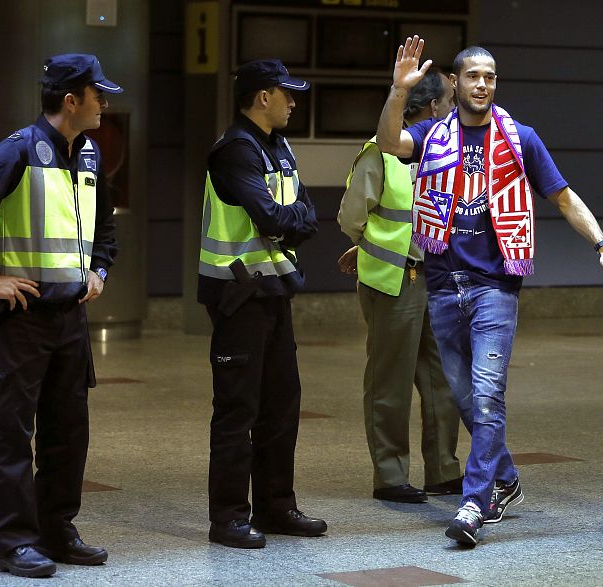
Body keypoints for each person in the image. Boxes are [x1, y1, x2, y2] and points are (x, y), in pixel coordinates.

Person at [375, 36, 603, 546]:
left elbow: (562, 197)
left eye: (490, 77)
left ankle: (475, 501)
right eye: (473, 76)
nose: (483, 85)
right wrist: (399, 91)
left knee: (488, 395)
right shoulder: (432, 133)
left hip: (495, 285)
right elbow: (387, 144)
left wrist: (602, 242)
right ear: (455, 82)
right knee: (464, 397)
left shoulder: (520, 139)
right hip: (443, 284)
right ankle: (506, 477)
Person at [0, 54, 121, 577]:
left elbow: (104, 226)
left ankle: (56, 530)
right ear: (71, 100)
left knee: (68, 433)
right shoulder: (17, 150)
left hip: (71, 317)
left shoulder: (88, 153)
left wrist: (99, 269)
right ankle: (13, 543)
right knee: (10, 433)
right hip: (21, 317)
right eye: (97, 94)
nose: (104, 103)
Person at [198, 58, 325, 549]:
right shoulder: (235, 150)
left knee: (281, 405)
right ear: (263, 97)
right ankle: (228, 518)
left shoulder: (278, 146)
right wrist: (290, 221)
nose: (293, 102)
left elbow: (306, 214)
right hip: (239, 294)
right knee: (238, 409)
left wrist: (289, 221)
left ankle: (276, 507)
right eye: (286, 93)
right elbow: (270, 218)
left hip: (274, 290)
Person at [337, 70, 463, 504]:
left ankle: (443, 470)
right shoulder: (380, 152)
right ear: (433, 107)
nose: (455, 108)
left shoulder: (448, 151)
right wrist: (367, 245)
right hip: (394, 278)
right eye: (450, 101)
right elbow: (351, 216)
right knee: (390, 381)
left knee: (442, 379)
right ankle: (390, 476)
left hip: (438, 279)